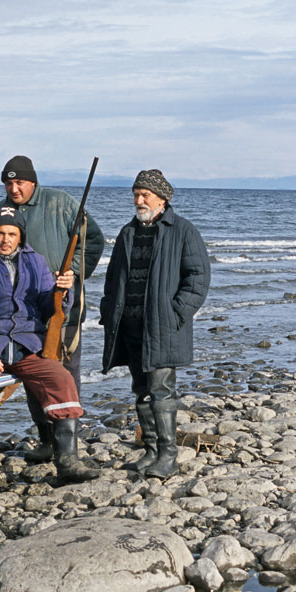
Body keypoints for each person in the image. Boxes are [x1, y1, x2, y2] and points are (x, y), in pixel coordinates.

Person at [0, 155, 105, 464]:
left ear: (33, 181)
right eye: (8, 183)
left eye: (19, 182)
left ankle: (67, 446)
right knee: (34, 378)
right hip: (21, 319)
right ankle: (46, 439)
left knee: (65, 374)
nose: (14, 188)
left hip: (62, 308)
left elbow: (95, 239)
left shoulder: (61, 203)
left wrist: (74, 272)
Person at [0, 209, 99, 486]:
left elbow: (48, 307)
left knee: (62, 380)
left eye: (12, 234)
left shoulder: (36, 261)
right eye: (0, 233)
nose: (5, 239)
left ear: (21, 237)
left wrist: (61, 292)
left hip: (28, 341)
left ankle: (68, 462)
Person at [100, 170, 211, 479]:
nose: (139, 200)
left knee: (161, 390)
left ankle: (168, 455)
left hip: (163, 327)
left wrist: (177, 313)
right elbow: (113, 279)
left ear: (162, 198)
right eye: (136, 194)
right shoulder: (127, 233)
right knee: (140, 390)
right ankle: (150, 452)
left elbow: (198, 278)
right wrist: (109, 311)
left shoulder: (183, 231)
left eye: (145, 195)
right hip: (130, 326)